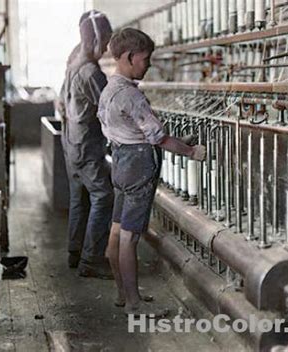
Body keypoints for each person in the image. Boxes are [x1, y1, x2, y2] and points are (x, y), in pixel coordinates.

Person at [98, 28, 206, 316]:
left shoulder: (109, 90)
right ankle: (134, 304)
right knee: (130, 238)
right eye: (146, 59)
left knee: (117, 229)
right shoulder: (132, 97)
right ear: (130, 58)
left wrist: (178, 141)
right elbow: (157, 138)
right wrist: (192, 152)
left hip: (120, 161)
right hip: (138, 166)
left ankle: (123, 293)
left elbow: (126, 131)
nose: (148, 64)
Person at [58, 10, 114, 279]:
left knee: (79, 197)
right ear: (96, 39)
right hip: (86, 144)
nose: (105, 48)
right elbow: (110, 108)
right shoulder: (91, 72)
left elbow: (61, 102)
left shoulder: (73, 61)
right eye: (104, 42)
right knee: (103, 197)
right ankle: (91, 260)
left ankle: (74, 251)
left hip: (71, 140)